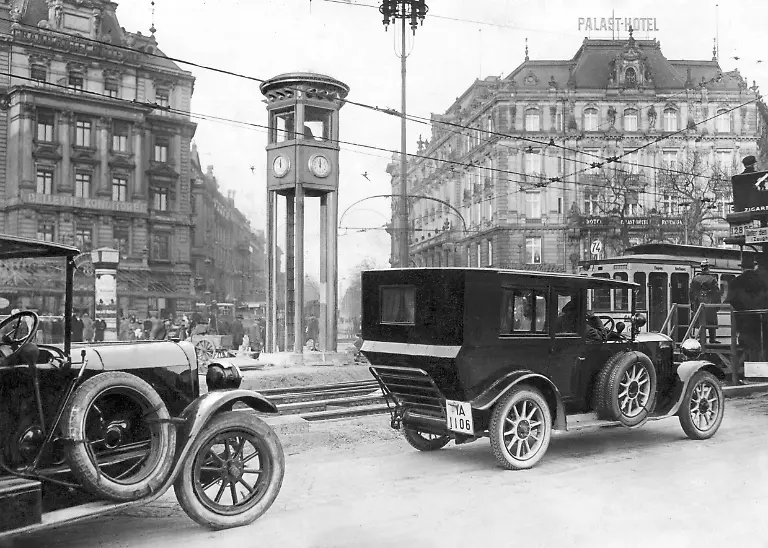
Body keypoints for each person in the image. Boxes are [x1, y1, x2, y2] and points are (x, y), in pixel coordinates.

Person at [725, 254, 768, 363]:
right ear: (754, 266)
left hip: (743, 322)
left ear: (742, 267)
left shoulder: (735, 282)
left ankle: (750, 365)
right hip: (762, 321)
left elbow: (730, 300)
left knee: (748, 347)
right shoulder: (762, 281)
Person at [689, 260, 721, 343]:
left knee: (701, 321)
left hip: (698, 303)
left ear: (701, 268)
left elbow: (691, 292)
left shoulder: (695, 279)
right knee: (711, 322)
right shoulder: (712, 279)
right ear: (708, 268)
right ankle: (712, 339)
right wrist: (718, 305)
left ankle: (702, 339)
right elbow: (716, 293)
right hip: (710, 304)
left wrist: (692, 304)